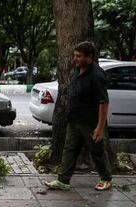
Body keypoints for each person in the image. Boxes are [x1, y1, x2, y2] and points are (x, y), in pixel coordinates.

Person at [45, 41, 112, 191]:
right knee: (69, 149)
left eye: (79, 56)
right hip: (74, 120)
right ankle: (63, 181)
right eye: (75, 55)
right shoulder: (77, 70)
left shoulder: (97, 75)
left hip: (90, 122)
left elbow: (104, 102)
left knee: (97, 152)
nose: (75, 58)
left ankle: (106, 179)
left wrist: (100, 128)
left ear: (90, 57)